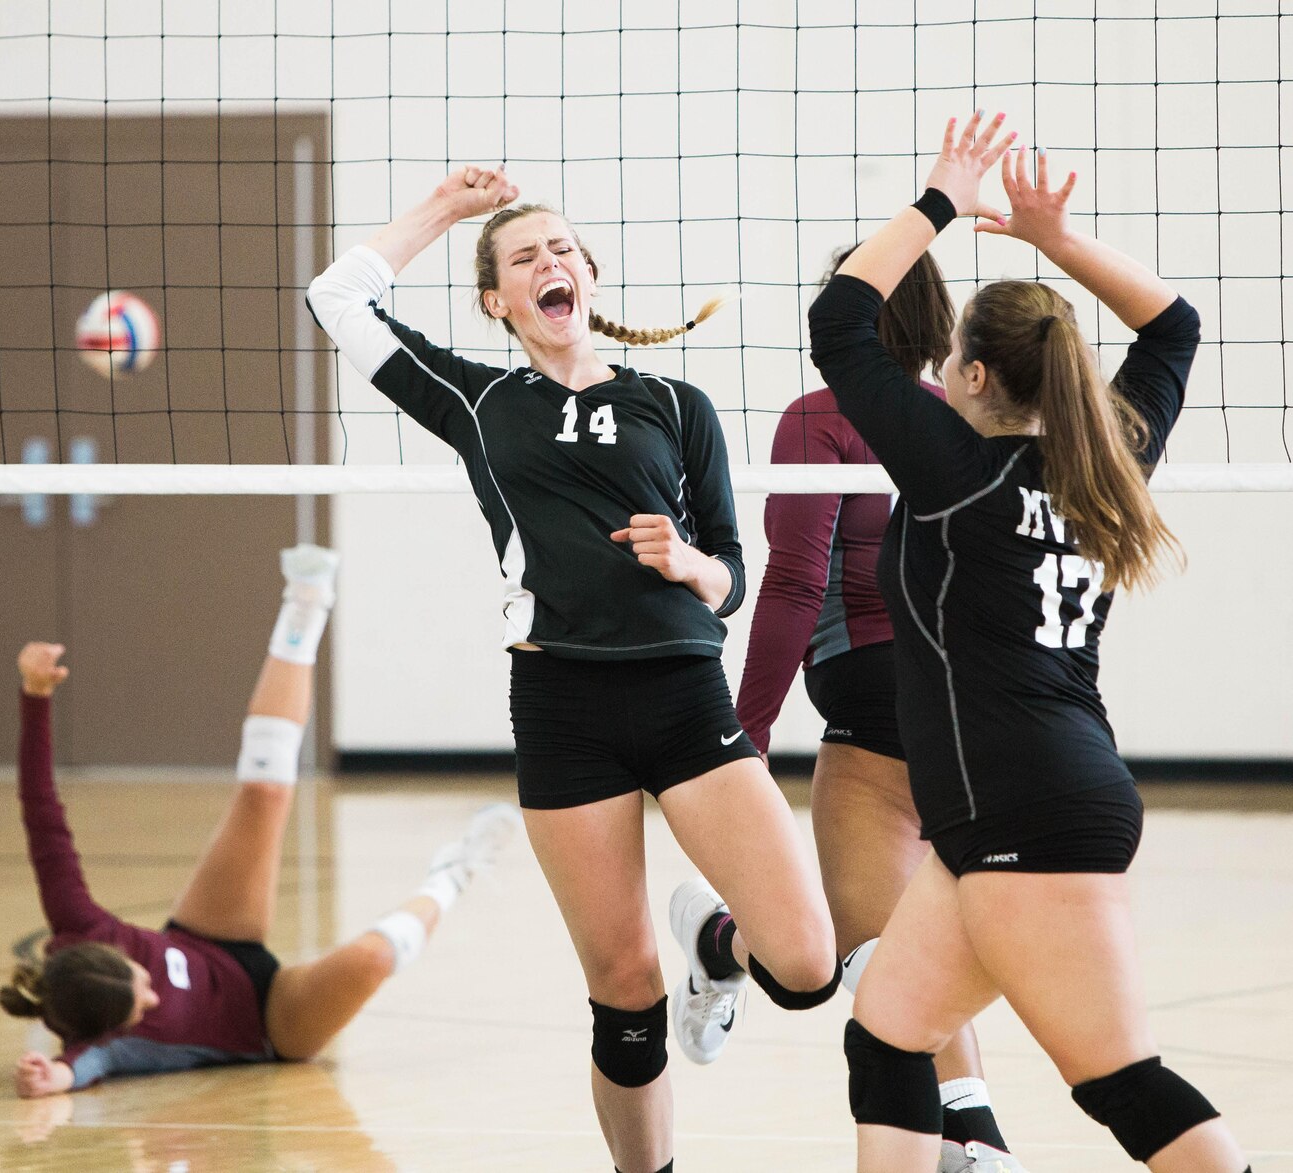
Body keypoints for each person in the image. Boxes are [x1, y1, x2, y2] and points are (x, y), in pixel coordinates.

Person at [308, 168, 839, 1173]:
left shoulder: (677, 405)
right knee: (623, 988)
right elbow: (337, 297)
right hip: (561, 704)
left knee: (807, 966)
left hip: (683, 693)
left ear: (588, 278)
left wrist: (689, 565)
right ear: (497, 301)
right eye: (522, 257)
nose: (548, 262)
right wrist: (448, 212)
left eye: (561, 249)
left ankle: (714, 946)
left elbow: (731, 576)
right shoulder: (476, 400)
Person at [809, 113, 1251, 1173]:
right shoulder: (1108, 462)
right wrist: (1054, 243)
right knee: (886, 1038)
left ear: (964, 379)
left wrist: (939, 203)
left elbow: (839, 320)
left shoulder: (955, 474)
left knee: (1116, 1081)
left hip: (1025, 807)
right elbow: (1174, 328)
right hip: (1018, 803)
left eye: (954, 358)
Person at [1, 545, 517, 1095]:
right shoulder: (107, 1043)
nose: (153, 997)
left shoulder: (77, 921)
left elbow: (42, 815)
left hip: (210, 938)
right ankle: (454, 874)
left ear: (103, 953)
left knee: (265, 792)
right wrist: (53, 1076)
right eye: (142, 1008)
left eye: (141, 983)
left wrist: (35, 697)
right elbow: (82, 1066)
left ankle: (306, 602)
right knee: (370, 958)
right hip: (271, 1023)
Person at [737, 252, 1026, 1173]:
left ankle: (716, 940)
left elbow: (791, 582)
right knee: (913, 942)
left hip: (872, 701)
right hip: (975, 707)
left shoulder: (822, 415)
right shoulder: (966, 422)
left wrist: (740, 738)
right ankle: (976, 1133)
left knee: (862, 957)